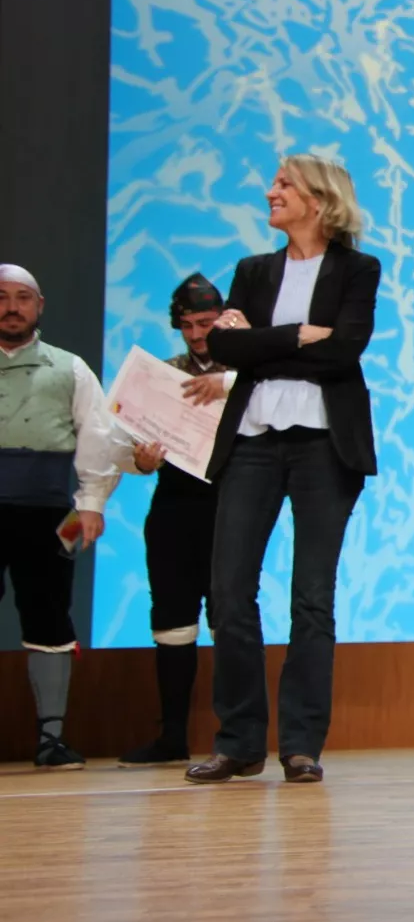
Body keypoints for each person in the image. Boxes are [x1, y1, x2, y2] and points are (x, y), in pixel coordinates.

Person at [183, 155, 381, 786]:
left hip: (325, 443)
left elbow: (346, 347)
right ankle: (240, 741)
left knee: (311, 598)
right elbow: (223, 346)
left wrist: (263, 342)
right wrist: (297, 336)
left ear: (319, 200)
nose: (271, 192)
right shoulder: (253, 270)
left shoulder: (357, 269)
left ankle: (300, 744)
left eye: (284, 185)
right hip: (252, 439)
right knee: (231, 592)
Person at [0, 263, 141, 768]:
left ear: (39, 306)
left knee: (49, 615)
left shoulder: (71, 368)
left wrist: (92, 504)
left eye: (22, 297)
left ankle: (51, 739)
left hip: (47, 513)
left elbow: (98, 438)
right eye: (2, 296)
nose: (12, 306)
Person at [118, 274, 234, 767]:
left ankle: (236, 737)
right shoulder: (163, 375)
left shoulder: (244, 371)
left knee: (230, 619)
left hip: (231, 506)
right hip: (172, 508)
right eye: (186, 325)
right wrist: (141, 460)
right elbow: (128, 449)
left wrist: (226, 385)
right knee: (170, 620)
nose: (195, 334)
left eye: (204, 323)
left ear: (223, 319)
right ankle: (171, 736)